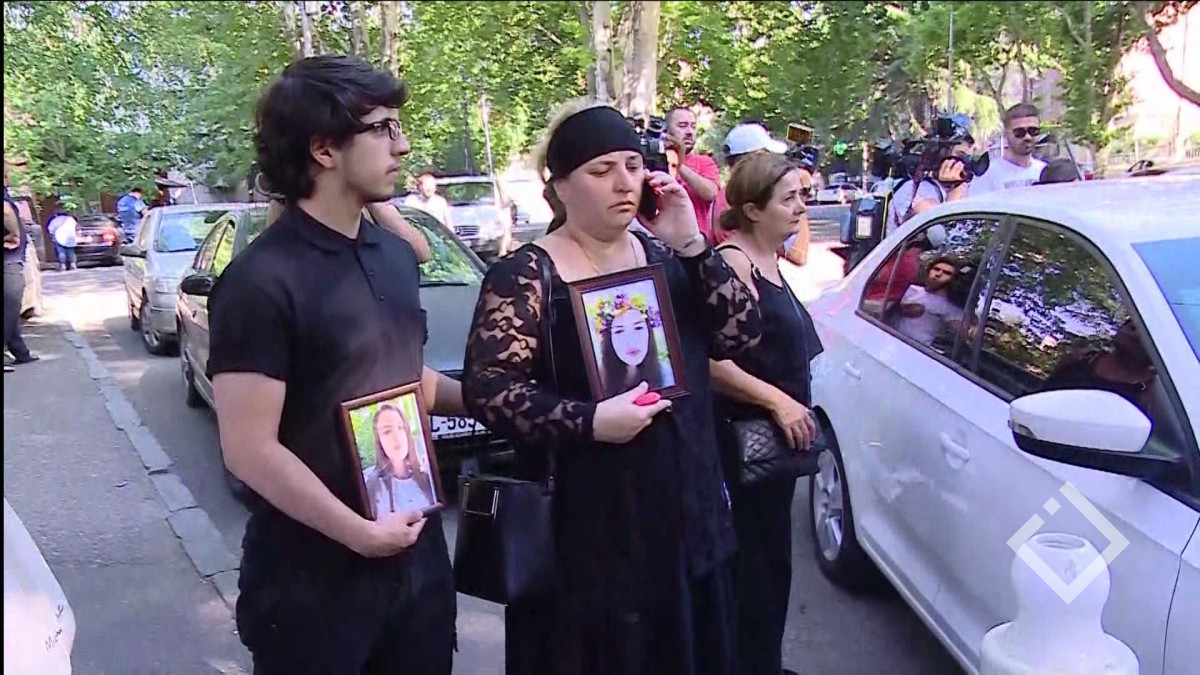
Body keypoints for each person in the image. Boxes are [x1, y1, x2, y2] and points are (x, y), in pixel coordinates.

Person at [462, 99, 763, 675]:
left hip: (685, 526)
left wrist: (693, 246)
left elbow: (743, 338)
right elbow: (489, 388)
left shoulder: (665, 257)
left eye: (632, 165)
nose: (624, 182)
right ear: (561, 187)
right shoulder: (527, 275)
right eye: (602, 171)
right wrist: (590, 421)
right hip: (588, 542)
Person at [206, 54, 461, 674]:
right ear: (323, 148)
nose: (402, 145)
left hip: (418, 567)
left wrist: (502, 396)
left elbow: (406, 381)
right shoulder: (259, 281)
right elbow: (248, 450)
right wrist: (358, 533)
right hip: (311, 588)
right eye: (382, 129)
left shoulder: (394, 257)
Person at [708, 153, 823, 675]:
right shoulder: (735, 263)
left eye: (802, 196)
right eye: (789, 198)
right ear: (753, 209)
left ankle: (765, 664)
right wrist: (776, 400)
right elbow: (712, 361)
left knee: (773, 563)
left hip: (777, 444)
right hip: (744, 442)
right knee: (751, 570)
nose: (801, 207)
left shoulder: (769, 258)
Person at [885, 115, 975, 235]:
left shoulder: (956, 189)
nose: (964, 163)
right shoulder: (914, 189)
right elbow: (944, 229)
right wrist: (957, 188)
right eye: (960, 155)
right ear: (942, 154)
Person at [710, 123, 789, 245]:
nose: (772, 161)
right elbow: (796, 253)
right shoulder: (737, 197)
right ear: (755, 157)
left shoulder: (733, 193)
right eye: (767, 154)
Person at [590, 289, 674, 397]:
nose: (631, 341)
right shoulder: (596, 381)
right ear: (608, 339)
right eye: (619, 331)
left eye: (638, 328)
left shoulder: (667, 375)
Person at [362, 404, 436, 517]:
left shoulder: (428, 476)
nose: (396, 437)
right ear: (379, 441)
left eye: (401, 427)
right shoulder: (370, 483)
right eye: (387, 431)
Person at [666, 106, 722, 242]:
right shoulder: (653, 160)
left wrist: (679, 165)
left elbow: (711, 193)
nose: (689, 132)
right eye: (682, 126)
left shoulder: (704, 162)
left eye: (693, 126)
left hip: (696, 243)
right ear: (666, 130)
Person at [971, 103, 1047, 195]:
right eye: (1019, 132)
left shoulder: (1045, 170)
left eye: (1033, 131)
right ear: (1005, 133)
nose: (1027, 137)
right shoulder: (987, 174)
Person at [4, 161, 37, 372]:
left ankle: (20, 352)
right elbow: (6, 212)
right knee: (10, 310)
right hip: (9, 260)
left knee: (11, 310)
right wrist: (14, 234)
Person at [894, 255, 966, 346]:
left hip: (917, 348)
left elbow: (964, 333)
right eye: (936, 269)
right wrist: (903, 309)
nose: (938, 274)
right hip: (891, 337)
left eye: (946, 273)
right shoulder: (910, 289)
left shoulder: (951, 309)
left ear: (953, 280)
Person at [47, 207, 79, 271]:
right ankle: (73, 264)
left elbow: (50, 229)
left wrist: (52, 235)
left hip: (59, 237)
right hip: (70, 237)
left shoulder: (55, 220)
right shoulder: (71, 219)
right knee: (71, 251)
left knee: (61, 252)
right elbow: (76, 228)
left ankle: (63, 265)